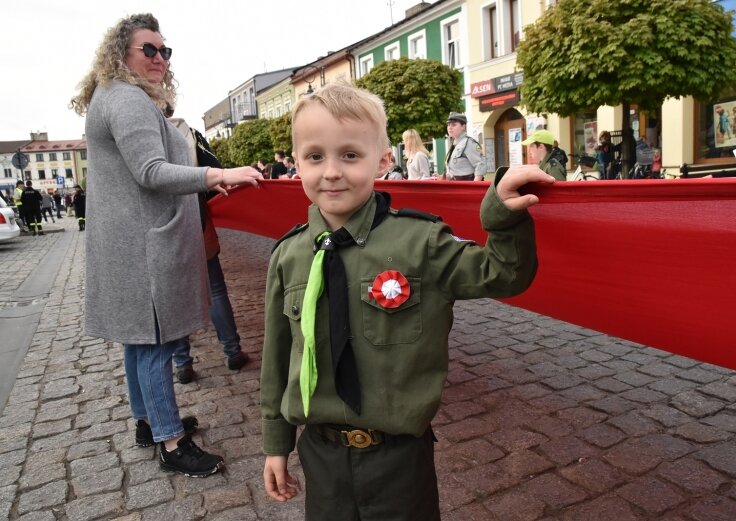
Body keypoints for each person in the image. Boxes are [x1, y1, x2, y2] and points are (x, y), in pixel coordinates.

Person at [260, 82, 552, 519]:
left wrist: (502, 212)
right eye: (315, 156)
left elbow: (504, 274)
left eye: (350, 155)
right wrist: (276, 444)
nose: (332, 171)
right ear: (297, 162)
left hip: (399, 458)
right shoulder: (288, 254)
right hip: (320, 454)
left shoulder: (421, 241)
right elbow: (278, 357)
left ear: (383, 159)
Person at [69, 12, 262, 478]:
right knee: (156, 342)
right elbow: (150, 172)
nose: (159, 58)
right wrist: (218, 174)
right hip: (144, 247)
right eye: (148, 50)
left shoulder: (111, 96)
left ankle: (149, 421)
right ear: (121, 55)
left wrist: (200, 184)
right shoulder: (129, 99)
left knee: (138, 342)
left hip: (130, 244)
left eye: (164, 50)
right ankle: (171, 443)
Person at [168, 117, 249, 384]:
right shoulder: (187, 131)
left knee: (174, 296)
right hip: (197, 217)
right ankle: (233, 351)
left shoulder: (142, 131)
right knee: (215, 290)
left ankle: (182, 363)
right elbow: (214, 169)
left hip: (163, 225)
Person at [443, 112, 485, 181]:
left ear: (463, 126)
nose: (450, 128)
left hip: (467, 186)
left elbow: (480, 165)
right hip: (456, 185)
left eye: (453, 125)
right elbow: (455, 171)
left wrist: (474, 187)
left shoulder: (469, 143)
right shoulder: (454, 144)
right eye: (448, 125)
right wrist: (444, 177)